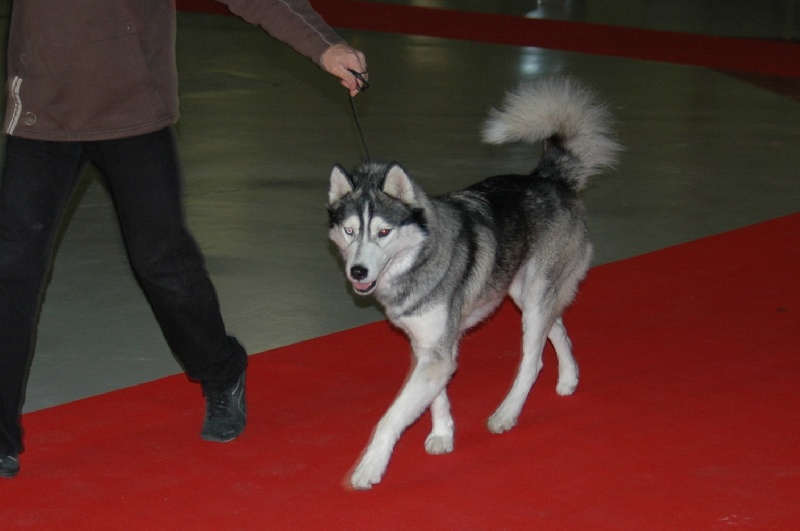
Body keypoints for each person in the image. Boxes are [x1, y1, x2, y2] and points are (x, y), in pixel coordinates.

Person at [0, 0, 367, 478]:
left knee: (162, 263)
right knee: (11, 268)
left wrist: (323, 46)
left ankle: (222, 369)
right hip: (42, 111)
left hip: (134, 112)